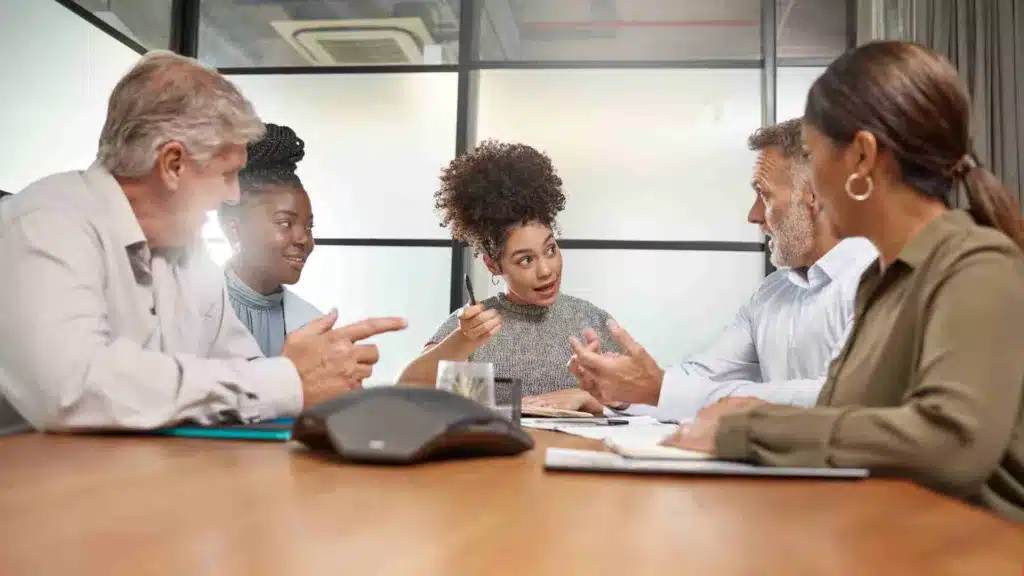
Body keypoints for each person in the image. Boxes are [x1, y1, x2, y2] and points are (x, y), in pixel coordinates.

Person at [665, 41, 1024, 522]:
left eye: (813, 156)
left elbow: (950, 444)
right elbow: (839, 422)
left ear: (861, 158)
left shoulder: (978, 266)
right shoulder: (880, 283)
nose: (810, 191)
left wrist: (745, 427)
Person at [0, 51, 406, 432]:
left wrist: (317, 378)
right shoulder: (47, 221)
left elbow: (244, 370)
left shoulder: (190, 257)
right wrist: (284, 381)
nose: (232, 196)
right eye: (227, 174)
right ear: (173, 164)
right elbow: (72, 389)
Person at [567, 119, 878, 421]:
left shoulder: (880, 284)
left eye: (765, 194)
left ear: (815, 196)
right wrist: (624, 388)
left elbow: (834, 397)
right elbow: (701, 375)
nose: (753, 215)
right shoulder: (772, 292)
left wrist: (659, 389)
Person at [397, 139, 619, 411]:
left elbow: (643, 399)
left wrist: (589, 397)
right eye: (525, 260)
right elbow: (410, 392)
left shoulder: (592, 320)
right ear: (493, 265)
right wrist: (463, 341)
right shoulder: (472, 327)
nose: (546, 270)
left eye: (550, 250)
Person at [217, 123, 321, 357]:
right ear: (234, 230)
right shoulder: (183, 314)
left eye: (309, 226)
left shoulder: (315, 326)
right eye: (285, 223)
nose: (305, 239)